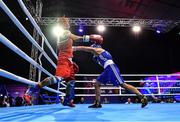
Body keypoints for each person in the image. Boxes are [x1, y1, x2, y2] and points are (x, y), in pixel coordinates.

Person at [27, 16, 103, 107]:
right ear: (63, 24)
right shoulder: (66, 32)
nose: (69, 24)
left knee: (71, 81)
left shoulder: (66, 35)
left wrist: (71, 60)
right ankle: (31, 91)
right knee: (58, 78)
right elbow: (77, 38)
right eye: (67, 22)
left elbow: (70, 47)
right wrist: (90, 38)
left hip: (68, 61)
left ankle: (67, 100)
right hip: (64, 60)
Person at [73, 44, 148, 108]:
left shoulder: (99, 50)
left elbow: (86, 48)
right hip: (107, 69)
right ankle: (97, 103)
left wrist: (75, 48)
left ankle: (142, 96)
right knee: (97, 83)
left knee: (123, 85)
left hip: (111, 68)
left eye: (93, 51)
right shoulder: (102, 54)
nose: (93, 53)